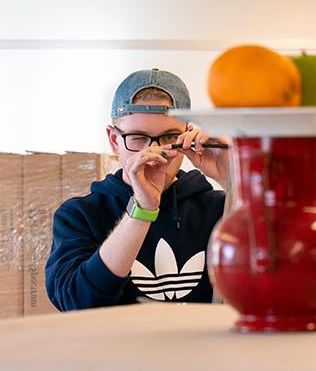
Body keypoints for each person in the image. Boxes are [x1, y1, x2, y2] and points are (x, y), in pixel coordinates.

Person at [46, 69, 230, 310]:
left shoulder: (220, 208)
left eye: (169, 137)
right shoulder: (79, 215)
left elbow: (284, 266)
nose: (153, 153)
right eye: (137, 138)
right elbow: (75, 303)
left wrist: (232, 179)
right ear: (114, 141)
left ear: (188, 137)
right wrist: (142, 209)